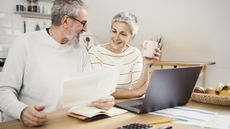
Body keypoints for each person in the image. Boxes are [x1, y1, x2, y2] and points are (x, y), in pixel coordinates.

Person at [0, 0, 114, 127]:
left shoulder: (80, 50)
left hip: (68, 123)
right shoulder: (24, 44)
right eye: (83, 23)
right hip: (30, 124)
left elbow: (88, 92)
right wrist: (22, 111)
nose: (85, 28)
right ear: (65, 21)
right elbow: (3, 91)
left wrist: (102, 100)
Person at [89, 12, 161, 99]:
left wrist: (146, 63)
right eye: (114, 31)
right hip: (102, 104)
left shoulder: (135, 53)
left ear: (132, 36)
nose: (116, 37)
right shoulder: (95, 52)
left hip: (126, 103)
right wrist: (136, 93)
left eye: (123, 34)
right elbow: (100, 91)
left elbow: (139, 88)